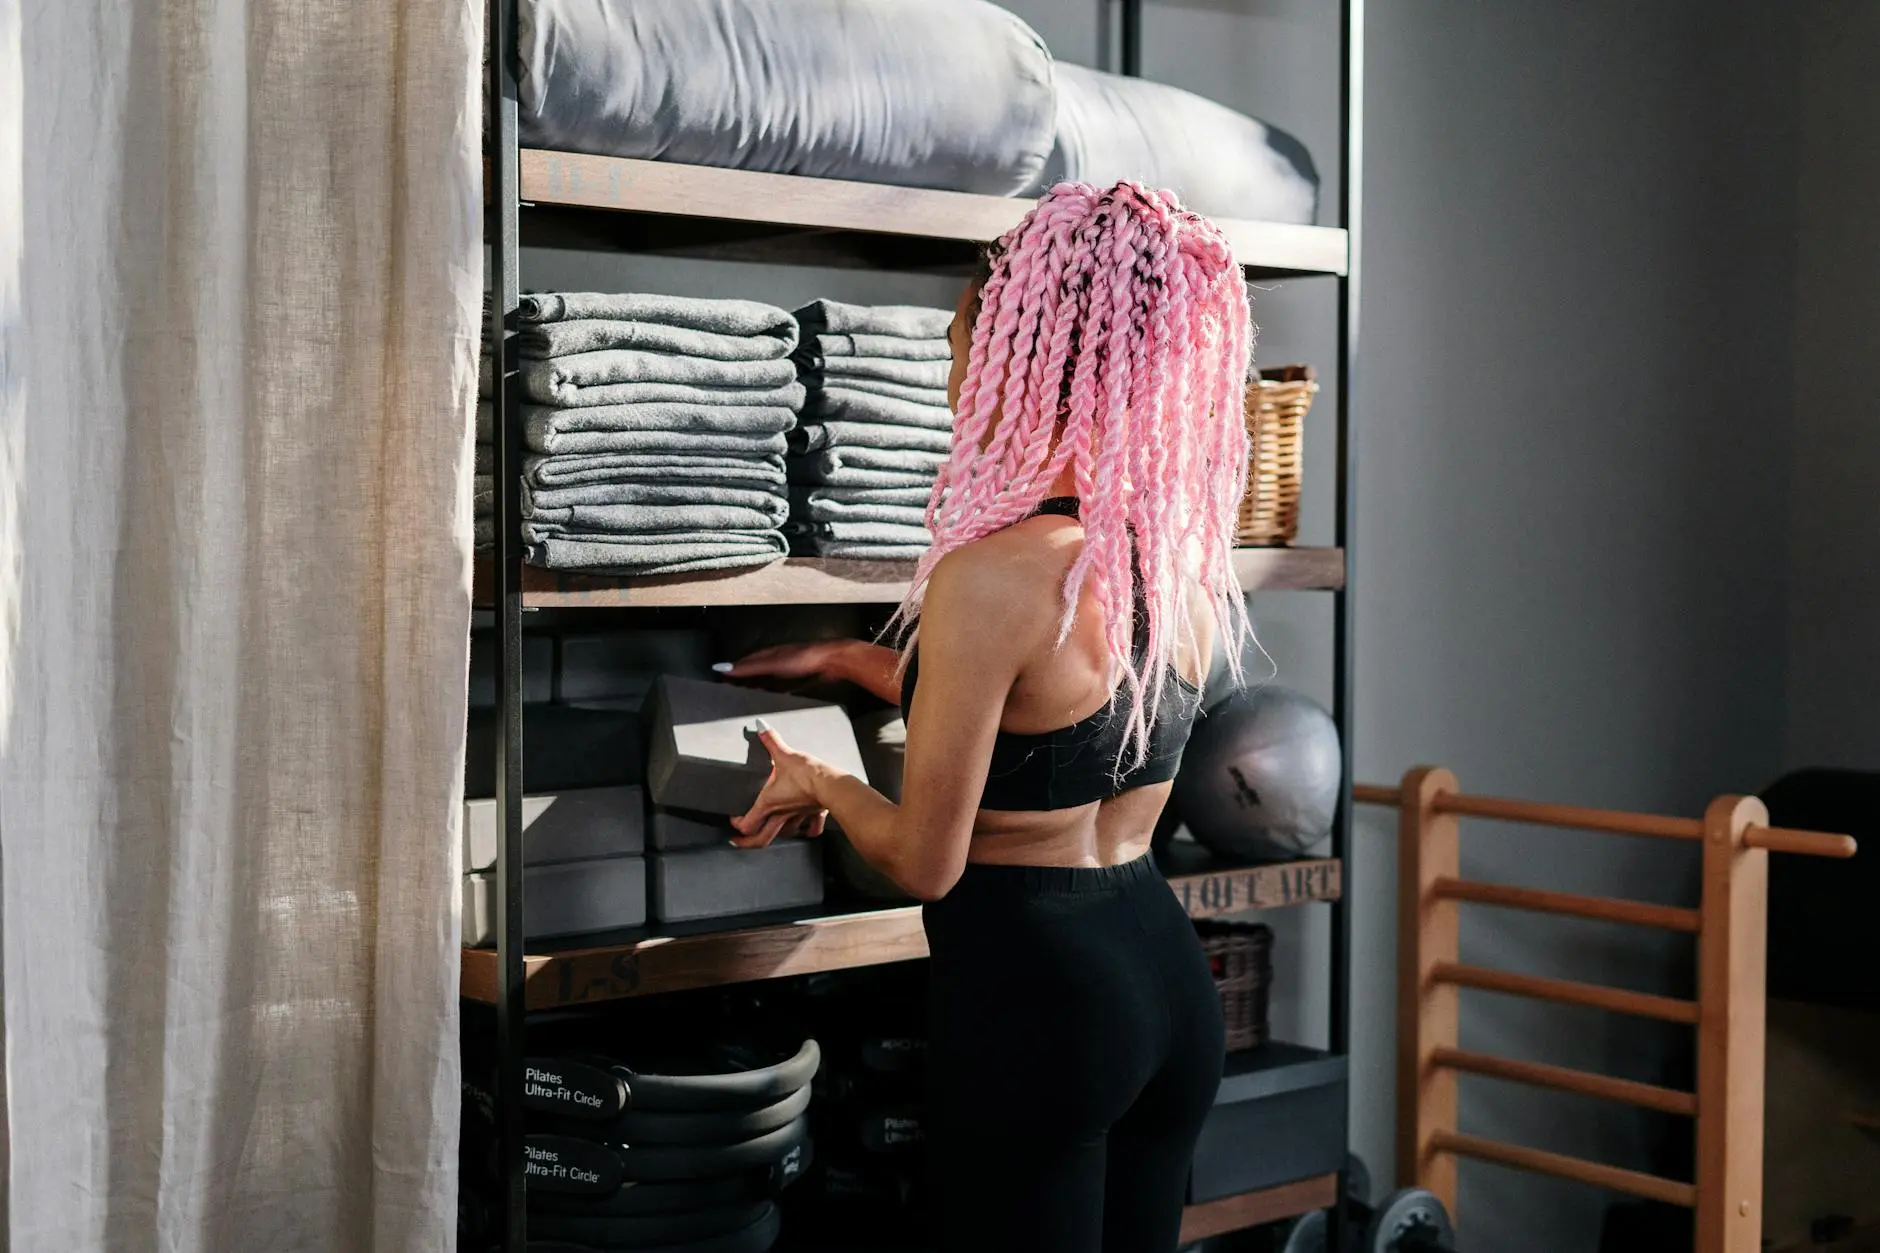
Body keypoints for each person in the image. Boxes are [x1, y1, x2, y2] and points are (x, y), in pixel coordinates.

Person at [727, 181, 1255, 1253]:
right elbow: (1060, 725)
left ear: (1027, 345)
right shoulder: (1171, 556)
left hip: (1041, 1003)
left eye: (968, 329)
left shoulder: (989, 575)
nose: (957, 360)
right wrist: (852, 659)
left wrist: (819, 780)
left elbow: (927, 860)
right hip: (1158, 972)